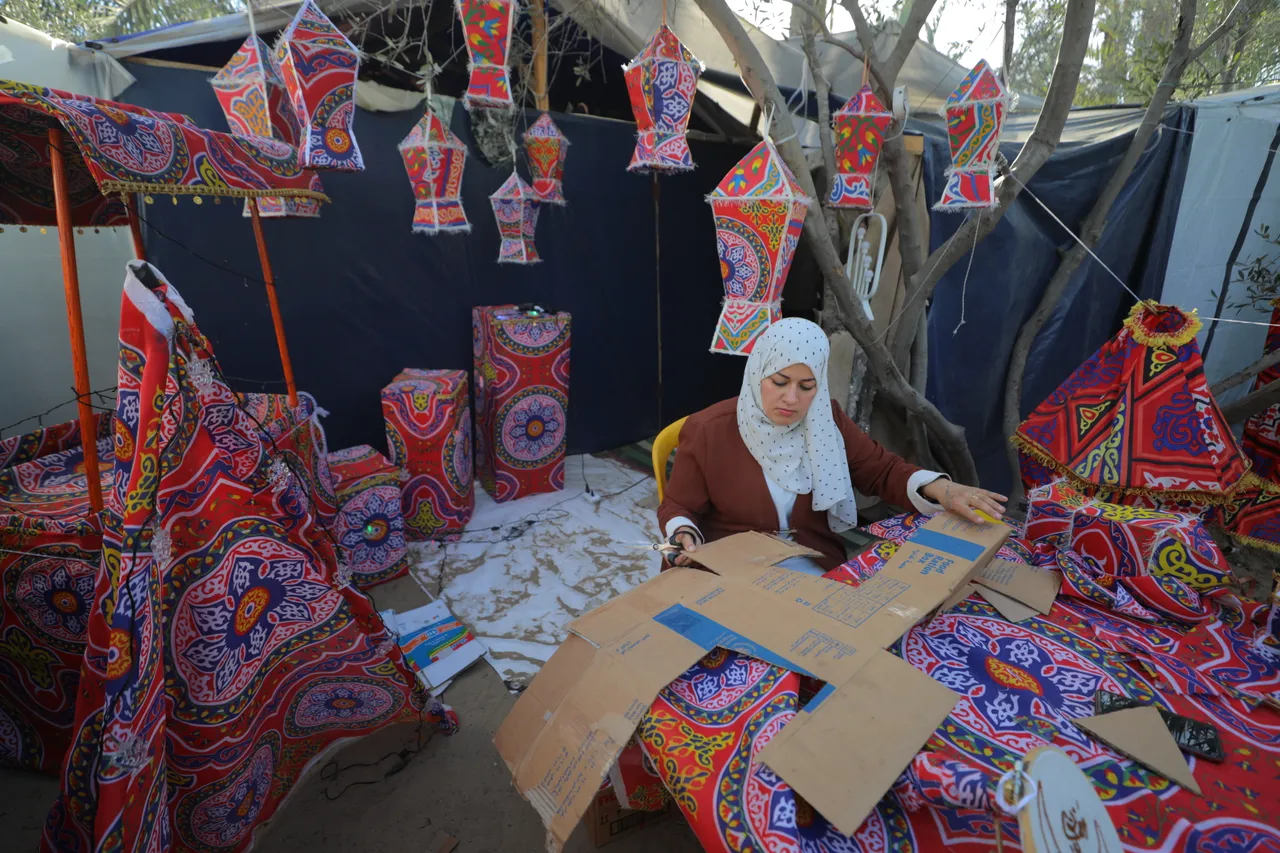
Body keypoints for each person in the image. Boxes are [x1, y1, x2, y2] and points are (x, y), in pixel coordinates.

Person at [658, 318, 1006, 573]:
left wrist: (942, 489)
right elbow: (677, 506)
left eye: (806, 386)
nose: (791, 398)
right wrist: (683, 532)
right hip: (729, 569)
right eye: (779, 381)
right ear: (757, 373)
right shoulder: (709, 431)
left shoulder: (826, 422)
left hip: (808, 563)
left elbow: (881, 470)